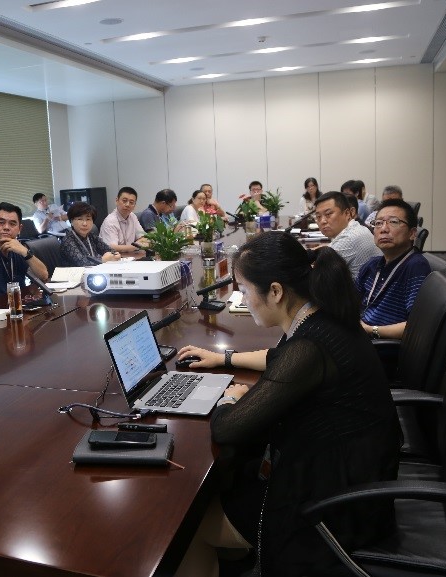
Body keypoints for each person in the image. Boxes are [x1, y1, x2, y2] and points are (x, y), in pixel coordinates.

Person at [174, 234, 400, 577]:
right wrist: (224, 358)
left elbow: (227, 429)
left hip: (336, 505)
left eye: (245, 289)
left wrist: (230, 399)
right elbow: (282, 359)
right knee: (234, 475)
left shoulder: (309, 347)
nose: (243, 299)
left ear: (276, 291)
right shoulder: (321, 316)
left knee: (189, 527)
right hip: (357, 472)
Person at [358, 199, 431, 340]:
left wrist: (371, 330)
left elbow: (418, 325)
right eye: (378, 223)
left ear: (412, 233)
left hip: (379, 345)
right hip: (359, 335)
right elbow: (349, 300)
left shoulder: (415, 266)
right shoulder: (372, 264)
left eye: (393, 222)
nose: (384, 229)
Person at [315, 191, 381, 278]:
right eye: (318, 216)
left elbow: (319, 273)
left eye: (328, 214)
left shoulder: (349, 238)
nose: (323, 221)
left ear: (347, 213)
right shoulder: (355, 228)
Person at [60, 202, 122, 266]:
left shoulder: (91, 236)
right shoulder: (68, 241)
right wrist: (103, 259)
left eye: (88, 219)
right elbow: (82, 263)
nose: (85, 224)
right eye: (80, 219)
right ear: (71, 221)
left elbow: (109, 250)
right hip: (76, 272)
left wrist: (115, 254)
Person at [99, 186, 147, 253]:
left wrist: (138, 245)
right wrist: (137, 246)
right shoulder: (110, 221)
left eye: (131, 202)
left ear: (135, 205)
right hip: (114, 257)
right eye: (124, 201)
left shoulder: (132, 216)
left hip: (130, 256)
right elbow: (112, 248)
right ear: (117, 201)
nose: (127, 205)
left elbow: (143, 238)